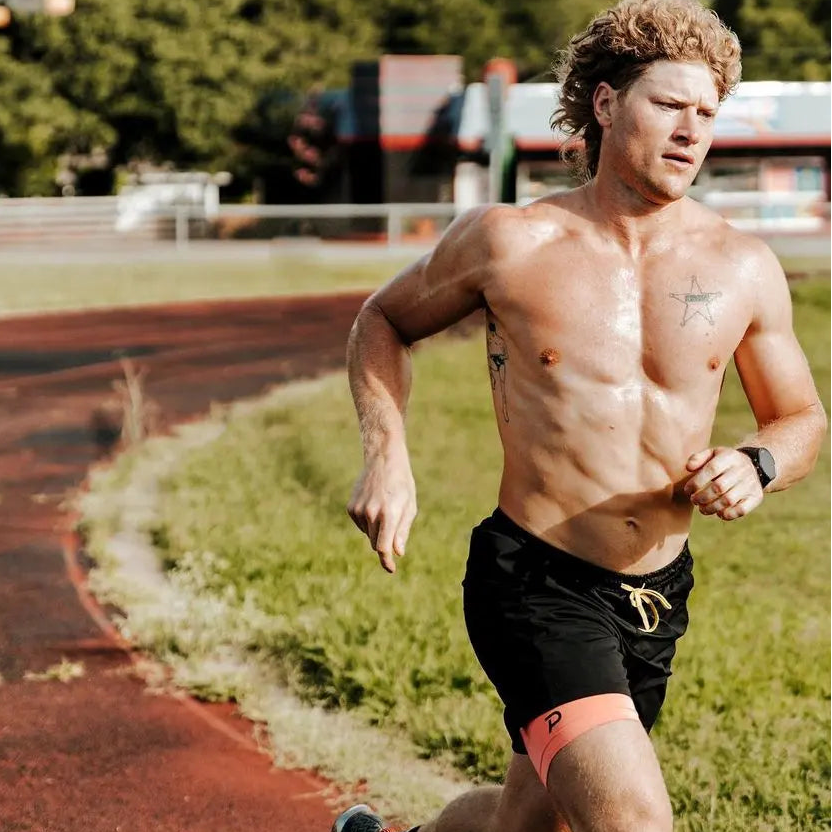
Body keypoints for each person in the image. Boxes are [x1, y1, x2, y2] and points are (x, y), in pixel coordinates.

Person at [334, 1, 828, 830]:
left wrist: (758, 462)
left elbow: (802, 417)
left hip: (657, 598)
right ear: (606, 103)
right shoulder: (509, 242)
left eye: (707, 114)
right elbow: (381, 320)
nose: (691, 131)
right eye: (669, 105)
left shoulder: (744, 266)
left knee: (529, 825)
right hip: (536, 582)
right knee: (631, 822)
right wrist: (387, 454)